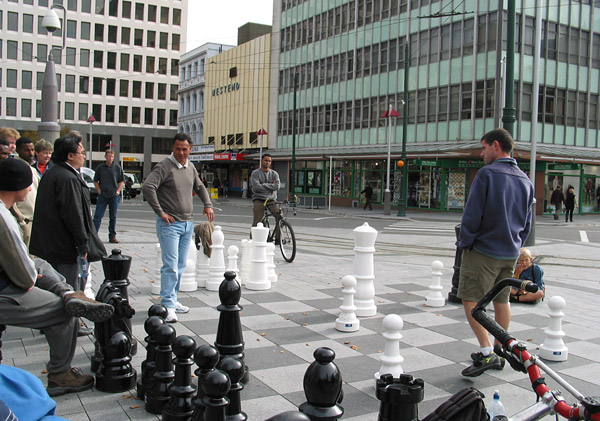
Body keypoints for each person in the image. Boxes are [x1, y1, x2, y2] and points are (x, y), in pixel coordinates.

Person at [0, 158, 114, 397]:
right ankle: (60, 375)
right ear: (14, 185)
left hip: (9, 276)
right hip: (6, 288)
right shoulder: (3, 219)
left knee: (42, 264)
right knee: (63, 312)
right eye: (27, 184)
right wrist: (32, 277)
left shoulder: (6, 211)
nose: (31, 189)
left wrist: (33, 271)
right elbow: (24, 275)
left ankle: (70, 292)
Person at [457, 128, 534, 377]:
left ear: (496, 146)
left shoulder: (487, 174)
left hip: (483, 250)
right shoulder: (525, 179)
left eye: (484, 147)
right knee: (502, 300)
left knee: (470, 298)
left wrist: (466, 243)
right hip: (510, 252)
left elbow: (472, 214)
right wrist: (515, 243)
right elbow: (527, 223)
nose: (482, 153)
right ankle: (501, 348)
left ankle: (487, 350)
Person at [30, 133, 107, 336]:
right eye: (81, 152)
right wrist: (82, 244)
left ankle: (50, 322)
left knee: (55, 285)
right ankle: (68, 325)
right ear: (70, 155)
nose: (84, 156)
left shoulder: (53, 173)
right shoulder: (68, 178)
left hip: (51, 244)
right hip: (65, 246)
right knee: (69, 286)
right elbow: (74, 214)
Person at [142, 133, 214, 323]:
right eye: (178, 149)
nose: (181, 153)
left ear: (190, 149)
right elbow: (148, 187)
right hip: (170, 225)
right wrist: (160, 212)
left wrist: (208, 204)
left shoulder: (190, 167)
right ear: (173, 149)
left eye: (185, 149)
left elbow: (200, 187)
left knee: (180, 266)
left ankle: (172, 301)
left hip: (186, 224)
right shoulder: (165, 166)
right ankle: (167, 305)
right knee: (171, 266)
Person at [93, 149, 125, 243]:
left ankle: (112, 236)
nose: (110, 158)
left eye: (112, 156)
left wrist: (118, 191)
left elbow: (121, 181)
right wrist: (99, 190)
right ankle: (94, 235)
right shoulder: (100, 168)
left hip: (113, 195)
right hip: (103, 195)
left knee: (113, 217)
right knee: (98, 216)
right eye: (108, 156)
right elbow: (95, 181)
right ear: (105, 157)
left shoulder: (117, 168)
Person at [14, 137, 40, 247]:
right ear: (18, 150)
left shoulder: (33, 170)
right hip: (23, 221)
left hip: (34, 221)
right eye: (27, 150)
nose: (31, 153)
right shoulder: (14, 168)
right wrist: (21, 219)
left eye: (32, 150)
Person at [250, 153, 281, 239]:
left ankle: (279, 239)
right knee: (257, 220)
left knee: (280, 217)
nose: (268, 162)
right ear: (262, 161)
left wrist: (263, 185)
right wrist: (270, 186)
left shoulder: (274, 174)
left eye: (269, 161)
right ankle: (252, 240)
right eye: (266, 160)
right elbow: (256, 187)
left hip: (272, 199)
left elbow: (277, 186)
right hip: (259, 199)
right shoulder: (255, 173)